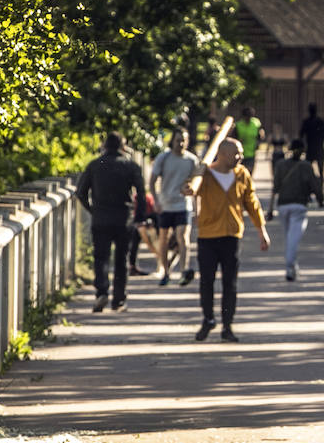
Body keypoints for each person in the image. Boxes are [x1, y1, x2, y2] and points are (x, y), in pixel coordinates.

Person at [182, 138, 271, 342]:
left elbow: (252, 203)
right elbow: (188, 188)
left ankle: (227, 326)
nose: (240, 157)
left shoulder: (242, 174)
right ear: (222, 154)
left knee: (230, 284)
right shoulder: (204, 173)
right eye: (236, 153)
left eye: (240, 153)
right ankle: (208, 319)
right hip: (207, 236)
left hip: (231, 235)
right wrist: (187, 189)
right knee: (207, 282)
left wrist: (261, 231)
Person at [76, 131, 147, 312]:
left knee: (101, 257)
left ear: (105, 146)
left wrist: (92, 209)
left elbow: (81, 192)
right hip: (124, 218)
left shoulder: (94, 165)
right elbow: (141, 193)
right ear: (123, 147)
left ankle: (101, 291)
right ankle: (119, 299)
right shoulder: (130, 166)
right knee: (121, 259)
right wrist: (139, 216)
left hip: (100, 218)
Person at [268, 139, 324, 281]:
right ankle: (289, 266)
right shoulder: (306, 166)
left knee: (289, 237)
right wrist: (320, 199)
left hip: (283, 205)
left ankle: (293, 267)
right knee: (293, 239)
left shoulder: (280, 165)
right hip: (299, 205)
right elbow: (314, 185)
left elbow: (275, 187)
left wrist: (270, 208)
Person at [150, 127, 200, 287]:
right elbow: (152, 181)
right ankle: (165, 271)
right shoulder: (163, 158)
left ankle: (184, 270)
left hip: (183, 205)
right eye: (178, 140)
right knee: (163, 239)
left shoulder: (192, 160)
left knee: (183, 237)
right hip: (165, 204)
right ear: (172, 140)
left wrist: (197, 209)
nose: (181, 143)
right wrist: (156, 201)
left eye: (184, 140)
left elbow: (197, 186)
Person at [300, 102, 324, 179]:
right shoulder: (321, 122)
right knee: (321, 171)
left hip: (310, 148)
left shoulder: (306, 122)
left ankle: (308, 187)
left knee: (308, 170)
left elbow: (301, 134)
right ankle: (320, 188)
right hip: (319, 148)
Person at [234, 107, 266, 174]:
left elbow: (261, 134)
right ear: (243, 117)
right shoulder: (238, 125)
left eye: (250, 117)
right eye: (247, 117)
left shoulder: (256, 123)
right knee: (240, 173)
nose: (248, 119)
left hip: (251, 153)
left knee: (249, 173)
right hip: (240, 153)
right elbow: (234, 138)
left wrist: (259, 142)